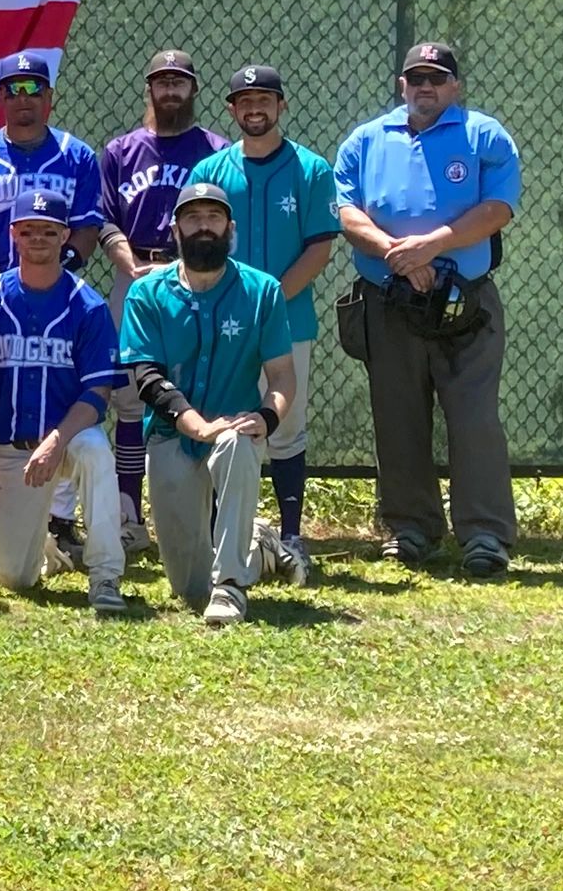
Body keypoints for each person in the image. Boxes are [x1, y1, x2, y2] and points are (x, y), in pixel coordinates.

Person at [335, 41, 521, 576]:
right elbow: (346, 211)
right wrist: (398, 255)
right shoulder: (367, 140)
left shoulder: (484, 135)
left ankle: (485, 535)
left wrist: (432, 245)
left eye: (437, 78)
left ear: (455, 86)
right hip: (388, 300)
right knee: (398, 419)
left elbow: (498, 209)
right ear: (401, 84)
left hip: (467, 303)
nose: (425, 86)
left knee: (474, 419)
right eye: (416, 77)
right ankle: (408, 529)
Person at [186, 66, 339, 584]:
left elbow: (320, 246)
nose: (255, 108)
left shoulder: (312, 168)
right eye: (244, 99)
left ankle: (291, 534)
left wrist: (270, 302)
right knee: (223, 425)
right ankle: (217, 537)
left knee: (285, 427)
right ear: (230, 109)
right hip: (216, 324)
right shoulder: (210, 170)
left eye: (264, 99)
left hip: (288, 320)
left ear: (282, 105)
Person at [117, 183, 295, 626]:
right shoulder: (147, 292)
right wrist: (195, 424)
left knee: (236, 443)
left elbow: (282, 377)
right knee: (189, 586)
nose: (204, 227)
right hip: (171, 434)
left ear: (230, 227)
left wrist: (267, 417)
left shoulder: (262, 290)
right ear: (176, 229)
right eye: (192, 218)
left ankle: (232, 585)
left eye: (213, 218)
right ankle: (259, 549)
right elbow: (147, 377)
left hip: (233, 428)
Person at [0, 192, 129, 613]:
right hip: (14, 449)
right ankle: (40, 545)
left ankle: (105, 574)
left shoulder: (87, 305)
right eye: (28, 230)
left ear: (65, 236)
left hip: (68, 437)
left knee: (96, 452)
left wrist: (56, 440)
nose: (38, 239)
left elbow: (97, 393)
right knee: (15, 578)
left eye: (48, 231)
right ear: (14, 234)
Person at [95, 49, 229, 551]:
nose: (170, 91)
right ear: (148, 89)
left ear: (194, 89)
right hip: (135, 277)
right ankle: (130, 517)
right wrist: (128, 264)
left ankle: (204, 516)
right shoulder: (121, 150)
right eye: (161, 82)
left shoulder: (214, 149)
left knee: (200, 389)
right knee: (130, 399)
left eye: (179, 82)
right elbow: (104, 217)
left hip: (193, 276)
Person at [0, 52, 104, 282]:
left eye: (32, 87)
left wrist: (49, 276)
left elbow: (87, 229)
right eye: (12, 88)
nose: (23, 97)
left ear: (48, 96)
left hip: (56, 286)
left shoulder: (78, 155)